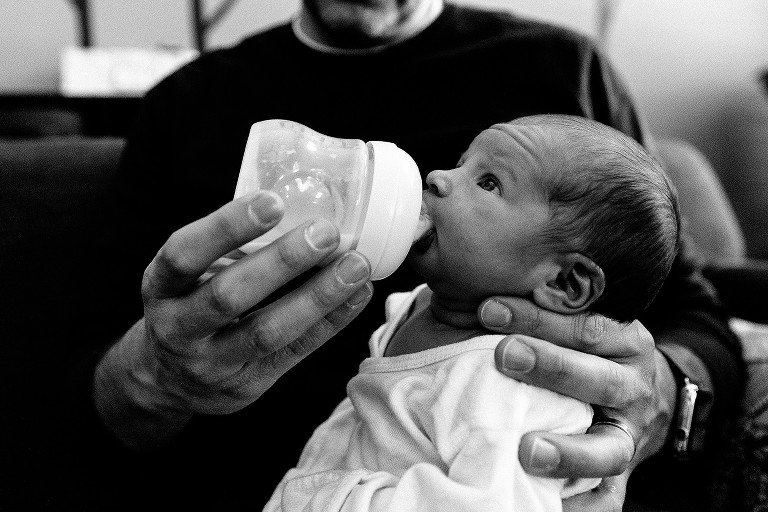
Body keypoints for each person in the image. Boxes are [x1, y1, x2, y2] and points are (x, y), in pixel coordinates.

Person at [52, 0, 743, 510]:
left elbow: (696, 312)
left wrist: (657, 395)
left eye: (488, 181)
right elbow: (77, 382)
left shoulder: (561, 70)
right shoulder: (187, 102)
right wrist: (152, 376)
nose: (437, 178)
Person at [263, 115, 680, 512]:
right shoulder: (419, 305)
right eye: (461, 163)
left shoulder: (504, 389)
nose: (437, 177)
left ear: (563, 283)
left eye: (488, 182)